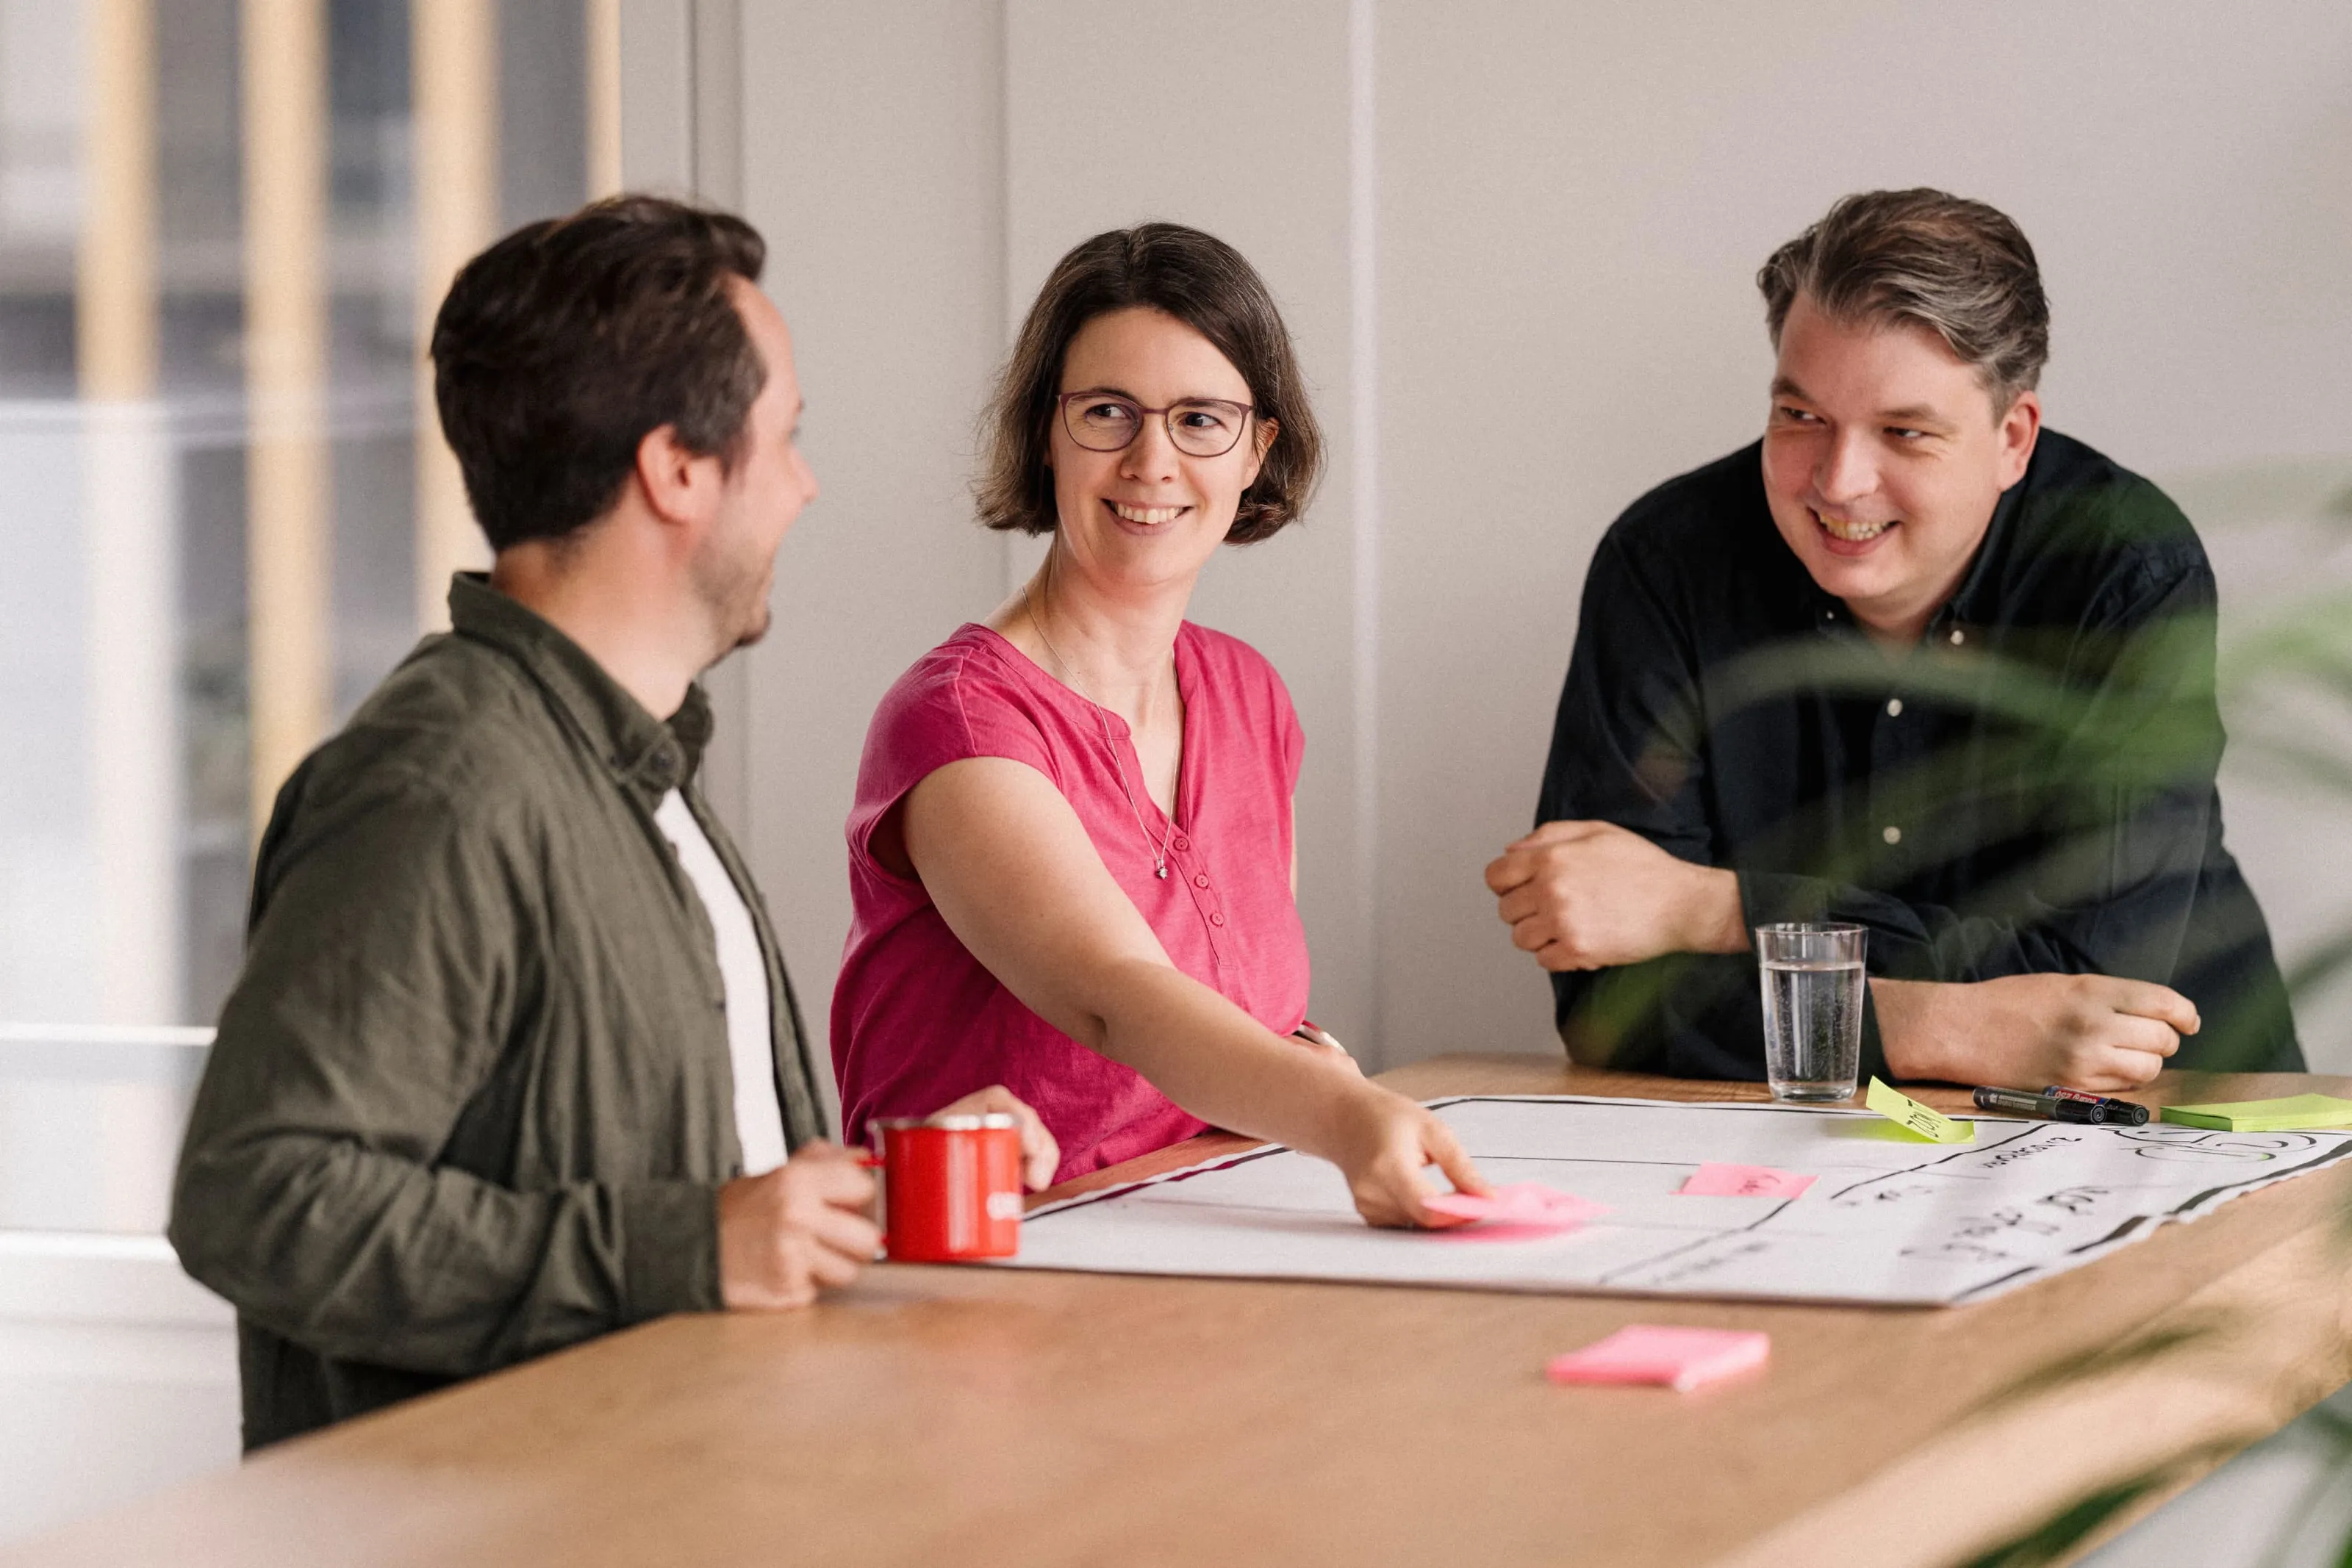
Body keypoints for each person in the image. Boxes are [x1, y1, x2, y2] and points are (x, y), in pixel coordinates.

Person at [168, 195, 1056, 1452]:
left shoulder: (638, 774)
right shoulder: (444, 785)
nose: (804, 486)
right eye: (785, 438)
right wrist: (688, 1242)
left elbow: (676, 1196)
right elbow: (257, 1197)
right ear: (676, 467)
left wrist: (867, 1189)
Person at [1488, 188, 2302, 1090]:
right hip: (1795, 1153)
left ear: (2011, 439)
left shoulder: (2124, 568)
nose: (1838, 482)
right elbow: (1611, 1004)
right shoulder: (1665, 563)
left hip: (2170, 1120)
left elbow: (2088, 981)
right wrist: (1944, 1027)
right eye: (1800, 417)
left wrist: (1715, 909)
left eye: (1903, 432)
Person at [833, 223, 1485, 1225]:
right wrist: (1344, 1112)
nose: (1152, 460)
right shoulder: (959, 718)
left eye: (1200, 420)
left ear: (1258, 449)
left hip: (1189, 1239)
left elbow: (1245, 1015)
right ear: (1045, 432)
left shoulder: (1248, 695)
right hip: (986, 1261)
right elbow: (1113, 995)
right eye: (1107, 412)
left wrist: (1296, 1062)